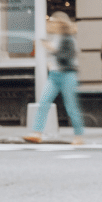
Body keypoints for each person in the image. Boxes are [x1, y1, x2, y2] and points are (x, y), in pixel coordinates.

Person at [23, 11, 85, 144]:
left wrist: (52, 49)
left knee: (71, 106)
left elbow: (66, 57)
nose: (52, 24)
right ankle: (37, 133)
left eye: (54, 22)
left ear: (61, 23)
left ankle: (78, 136)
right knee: (44, 102)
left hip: (67, 75)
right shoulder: (56, 37)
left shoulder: (69, 39)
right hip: (55, 75)